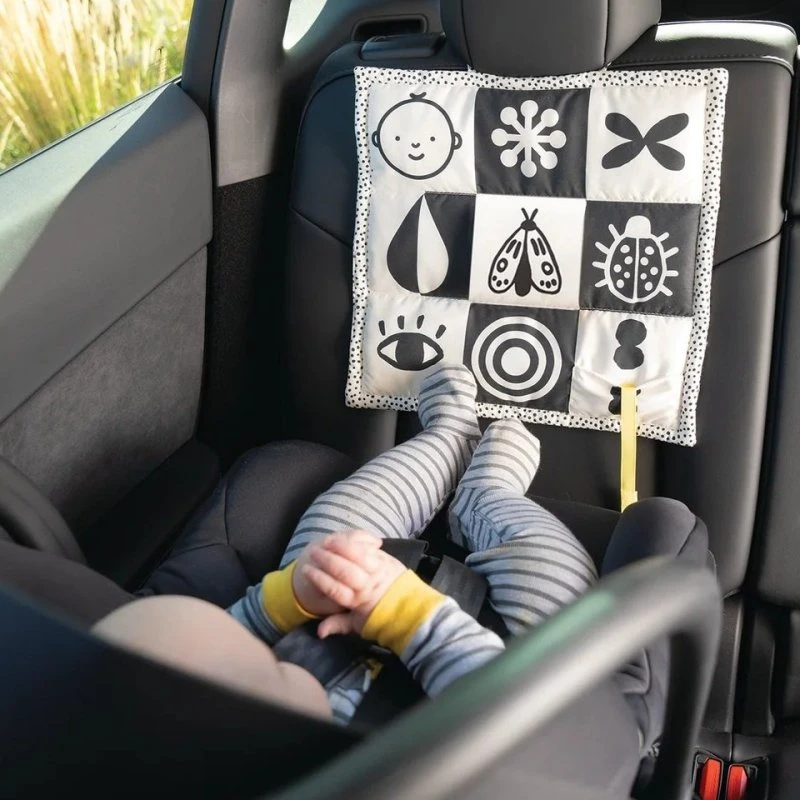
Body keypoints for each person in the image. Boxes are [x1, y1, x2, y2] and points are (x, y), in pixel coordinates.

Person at [95, 363, 674, 758]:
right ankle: (488, 493)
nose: (244, 644)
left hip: (328, 626)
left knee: (333, 538)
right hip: (506, 671)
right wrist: (404, 614)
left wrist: (282, 601)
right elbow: (523, 735)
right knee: (553, 582)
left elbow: (225, 641)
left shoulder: (214, 732)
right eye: (246, 663)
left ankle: (448, 438)